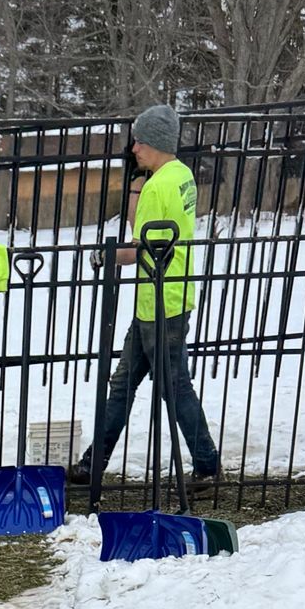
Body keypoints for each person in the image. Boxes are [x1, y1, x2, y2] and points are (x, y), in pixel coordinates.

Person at [87, 103, 220, 487]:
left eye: (139, 142)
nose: (133, 149)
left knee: (173, 387)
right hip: (168, 297)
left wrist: (105, 255)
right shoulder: (180, 176)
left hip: (160, 303)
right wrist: (134, 188)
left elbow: (138, 248)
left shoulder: (158, 186)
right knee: (124, 384)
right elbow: (147, 233)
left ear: (156, 142)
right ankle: (92, 463)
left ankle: (207, 464)